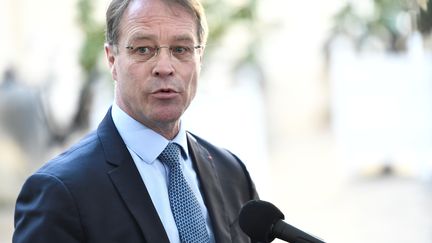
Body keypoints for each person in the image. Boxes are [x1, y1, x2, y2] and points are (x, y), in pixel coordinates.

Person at [13, 0, 259, 242]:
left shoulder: (232, 173)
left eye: (180, 50)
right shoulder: (59, 192)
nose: (164, 67)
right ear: (112, 60)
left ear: (200, 58)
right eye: (143, 49)